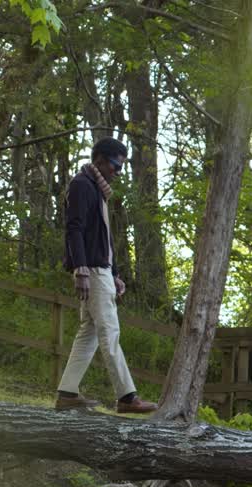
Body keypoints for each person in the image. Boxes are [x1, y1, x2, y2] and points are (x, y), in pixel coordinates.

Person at [54, 137, 158, 414]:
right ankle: (126, 397)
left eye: (121, 167)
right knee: (109, 330)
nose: (118, 172)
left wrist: (114, 273)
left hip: (101, 271)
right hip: (91, 271)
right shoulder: (81, 185)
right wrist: (81, 269)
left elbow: (103, 240)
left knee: (88, 333)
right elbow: (74, 229)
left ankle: (67, 393)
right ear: (99, 159)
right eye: (116, 165)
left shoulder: (97, 189)